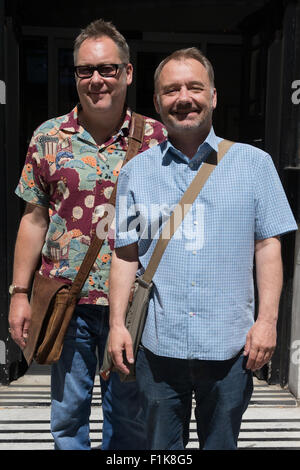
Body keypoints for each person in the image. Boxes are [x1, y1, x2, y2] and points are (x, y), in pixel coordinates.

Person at [108, 47, 298, 450]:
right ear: (158, 102)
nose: (183, 98)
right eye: (171, 90)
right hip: (159, 349)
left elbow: (268, 247)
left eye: (194, 87)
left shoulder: (255, 164)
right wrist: (117, 326)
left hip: (230, 347)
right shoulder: (136, 173)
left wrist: (268, 322)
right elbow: (125, 256)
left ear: (213, 96)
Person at [8, 19, 167, 450]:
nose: (96, 79)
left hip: (133, 304)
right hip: (66, 301)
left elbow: (173, 222)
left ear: (128, 73)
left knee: (129, 421)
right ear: (75, 74)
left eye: (108, 69)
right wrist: (19, 293)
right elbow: (33, 219)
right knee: (67, 417)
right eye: (85, 70)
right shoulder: (48, 137)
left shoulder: (157, 139)